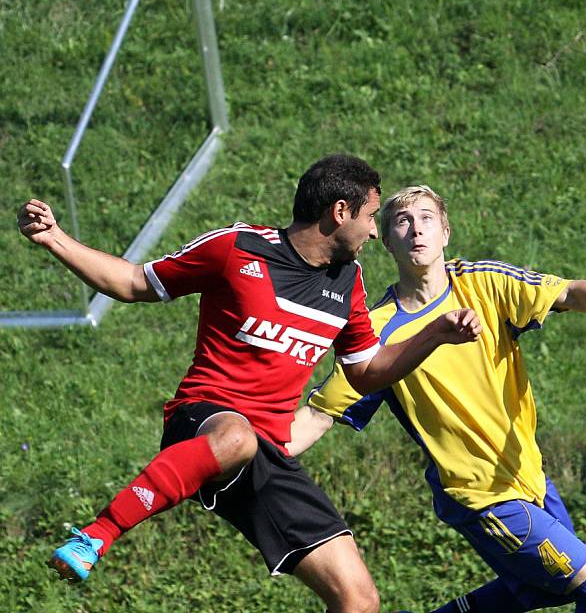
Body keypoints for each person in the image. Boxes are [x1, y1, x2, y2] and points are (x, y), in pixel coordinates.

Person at [17, 157, 482, 613]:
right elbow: (135, 281)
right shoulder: (236, 248)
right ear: (339, 212)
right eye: (370, 217)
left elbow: (366, 372)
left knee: (358, 599)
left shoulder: (349, 282)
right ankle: (97, 535)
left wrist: (435, 333)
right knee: (236, 437)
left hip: (266, 451)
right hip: (201, 420)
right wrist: (55, 238)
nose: (375, 231)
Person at [288, 185, 586, 613]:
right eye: (402, 221)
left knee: (542, 590)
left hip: (529, 477)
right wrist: (248, 456)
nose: (416, 229)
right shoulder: (377, 330)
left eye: (426, 219)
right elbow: (319, 415)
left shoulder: (484, 284)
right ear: (385, 240)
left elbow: (568, 292)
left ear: (445, 233)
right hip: (477, 494)